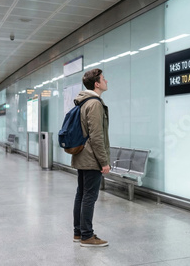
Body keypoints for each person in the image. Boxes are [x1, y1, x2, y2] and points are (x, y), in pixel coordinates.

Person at [72, 68, 110, 247]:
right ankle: (87, 236)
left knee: (81, 194)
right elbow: (96, 136)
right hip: (91, 158)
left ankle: (79, 233)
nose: (106, 81)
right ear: (96, 83)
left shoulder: (83, 102)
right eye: (103, 79)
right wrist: (104, 162)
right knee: (89, 196)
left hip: (82, 156)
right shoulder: (94, 103)